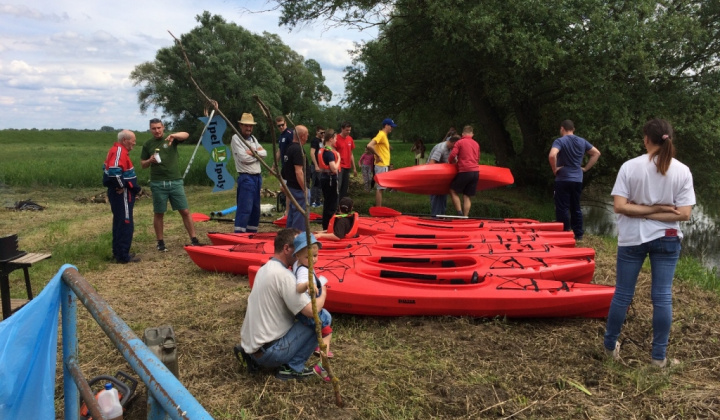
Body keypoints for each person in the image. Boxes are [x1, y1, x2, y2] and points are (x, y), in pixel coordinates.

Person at [603, 119, 695, 369]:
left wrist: (643, 213)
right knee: (662, 297)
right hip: (667, 237)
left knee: (622, 294)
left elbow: (621, 207)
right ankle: (658, 359)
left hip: (632, 238)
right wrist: (658, 210)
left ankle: (610, 349)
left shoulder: (630, 167)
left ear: (646, 139)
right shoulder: (682, 170)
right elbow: (683, 214)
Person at [236, 228, 329, 381]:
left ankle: (255, 358)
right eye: (299, 247)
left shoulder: (265, 268)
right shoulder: (284, 276)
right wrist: (323, 291)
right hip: (269, 352)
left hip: (253, 347)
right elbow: (311, 312)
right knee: (323, 315)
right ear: (287, 249)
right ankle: (292, 367)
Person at [140, 118, 200, 251]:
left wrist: (174, 135)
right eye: (154, 128)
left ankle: (194, 239)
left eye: (159, 128)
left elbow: (186, 134)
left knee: (184, 210)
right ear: (150, 130)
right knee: (159, 212)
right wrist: (150, 160)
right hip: (158, 183)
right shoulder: (148, 144)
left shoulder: (171, 140)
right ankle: (160, 243)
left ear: (163, 128)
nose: (157, 131)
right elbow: (142, 165)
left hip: (175, 181)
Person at [548, 119, 601, 240]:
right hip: (577, 179)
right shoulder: (582, 141)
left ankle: (564, 232)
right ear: (573, 129)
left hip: (563, 178)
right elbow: (596, 153)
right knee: (576, 207)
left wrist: (554, 168)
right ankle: (578, 234)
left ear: (562, 128)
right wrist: (586, 168)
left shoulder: (560, 141)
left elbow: (552, 155)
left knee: (562, 207)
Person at [292, 234, 333, 364]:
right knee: (326, 332)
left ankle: (319, 348)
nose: (313, 260)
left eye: (315, 256)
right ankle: (322, 363)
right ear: (298, 255)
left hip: (304, 307)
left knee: (324, 326)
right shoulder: (304, 271)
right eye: (308, 257)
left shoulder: (298, 263)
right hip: (309, 311)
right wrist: (307, 285)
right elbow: (299, 287)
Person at [103, 130, 142, 264]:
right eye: (133, 140)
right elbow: (113, 172)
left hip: (121, 192)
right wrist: (121, 185)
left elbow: (105, 168)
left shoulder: (115, 150)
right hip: (123, 194)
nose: (134, 143)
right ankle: (123, 256)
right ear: (125, 140)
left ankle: (119, 252)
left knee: (120, 222)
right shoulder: (119, 151)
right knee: (125, 223)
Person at [231, 113, 268, 233]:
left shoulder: (253, 139)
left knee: (255, 209)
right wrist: (257, 156)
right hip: (246, 177)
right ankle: (239, 234)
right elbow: (244, 159)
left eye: (251, 126)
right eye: (246, 125)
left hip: (257, 177)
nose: (249, 128)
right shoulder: (236, 138)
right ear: (241, 125)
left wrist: (252, 152)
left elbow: (265, 153)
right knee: (245, 208)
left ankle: (252, 234)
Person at [281, 125, 310, 231]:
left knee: (292, 214)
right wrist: (305, 189)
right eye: (307, 135)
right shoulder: (298, 150)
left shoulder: (289, 148)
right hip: (298, 188)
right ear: (302, 136)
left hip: (291, 187)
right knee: (300, 216)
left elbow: (284, 171)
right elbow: (299, 172)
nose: (307, 137)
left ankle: (289, 236)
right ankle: (298, 239)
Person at [448, 126, 480, 216]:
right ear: (472, 134)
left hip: (465, 171)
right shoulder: (476, 144)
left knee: (453, 190)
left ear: (463, 134)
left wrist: (450, 162)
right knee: (467, 195)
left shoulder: (459, 142)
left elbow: (453, 154)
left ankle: (459, 213)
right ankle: (465, 217)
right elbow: (477, 158)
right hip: (476, 172)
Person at [426, 133, 460, 216]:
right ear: (454, 143)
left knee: (443, 198)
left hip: (443, 177)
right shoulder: (440, 148)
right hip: (435, 177)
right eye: (458, 145)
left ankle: (442, 216)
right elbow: (431, 163)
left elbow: (454, 161)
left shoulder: (451, 149)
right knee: (436, 198)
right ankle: (435, 218)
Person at [367, 118, 397, 207]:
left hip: (383, 164)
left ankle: (379, 207)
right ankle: (378, 208)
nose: (392, 128)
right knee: (380, 188)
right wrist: (378, 155)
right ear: (386, 126)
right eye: (391, 126)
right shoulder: (381, 134)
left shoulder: (384, 136)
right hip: (381, 164)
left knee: (381, 188)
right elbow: (369, 145)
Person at [318, 130, 341, 230]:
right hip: (330, 180)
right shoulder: (330, 153)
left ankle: (325, 225)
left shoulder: (323, 150)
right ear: (331, 139)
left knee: (327, 203)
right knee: (331, 204)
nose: (336, 140)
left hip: (324, 177)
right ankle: (330, 226)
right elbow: (334, 169)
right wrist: (339, 158)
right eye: (335, 138)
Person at [275, 116, 294, 216]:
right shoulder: (281, 136)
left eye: (282, 125)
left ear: (285, 123)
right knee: (284, 188)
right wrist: (275, 164)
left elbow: (295, 148)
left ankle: (288, 211)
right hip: (284, 166)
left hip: (290, 166)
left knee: (287, 188)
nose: (281, 127)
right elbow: (279, 151)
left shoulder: (290, 134)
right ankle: (288, 209)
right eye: (279, 126)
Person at [335, 121, 357, 201]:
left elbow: (351, 154)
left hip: (348, 166)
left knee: (345, 187)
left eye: (349, 130)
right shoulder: (336, 138)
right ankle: (335, 204)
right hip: (340, 166)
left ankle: (342, 204)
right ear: (342, 129)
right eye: (346, 130)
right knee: (338, 186)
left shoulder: (350, 139)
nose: (348, 132)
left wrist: (354, 167)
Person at [309, 126, 325, 208]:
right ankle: (312, 201)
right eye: (321, 133)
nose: (323, 134)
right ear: (317, 132)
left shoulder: (321, 141)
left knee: (319, 184)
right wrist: (315, 165)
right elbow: (312, 153)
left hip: (321, 165)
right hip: (316, 165)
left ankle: (318, 200)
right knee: (315, 183)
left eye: (324, 133)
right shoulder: (314, 141)